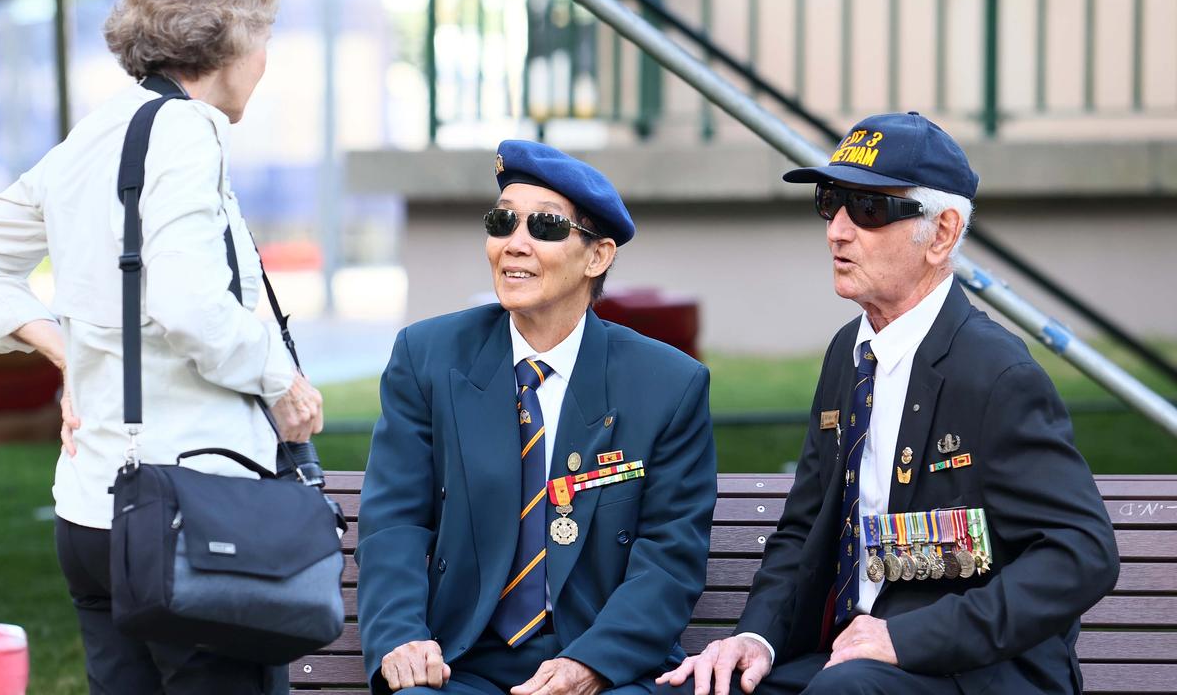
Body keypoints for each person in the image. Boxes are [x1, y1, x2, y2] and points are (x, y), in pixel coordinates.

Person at [0, 0, 322, 692]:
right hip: (195, 516)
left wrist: (66, 354)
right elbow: (188, 302)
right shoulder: (186, 130)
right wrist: (283, 380)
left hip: (91, 514)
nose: (267, 58)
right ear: (229, 36)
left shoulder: (99, 131)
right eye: (264, 36)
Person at [658, 112, 1118, 695]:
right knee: (697, 688)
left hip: (972, 670)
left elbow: (1082, 554)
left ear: (943, 234)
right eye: (831, 202)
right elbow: (803, 529)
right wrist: (758, 640)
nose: (838, 231)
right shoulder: (848, 353)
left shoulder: (996, 372)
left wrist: (907, 639)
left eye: (870, 210)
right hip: (855, 660)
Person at [356, 140, 718, 695]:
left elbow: (669, 557)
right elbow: (396, 520)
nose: (514, 245)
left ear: (598, 256)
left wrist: (592, 664)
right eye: (502, 223)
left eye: (544, 228)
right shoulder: (427, 357)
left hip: (600, 667)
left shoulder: (668, 385)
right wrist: (401, 635)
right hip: (459, 664)